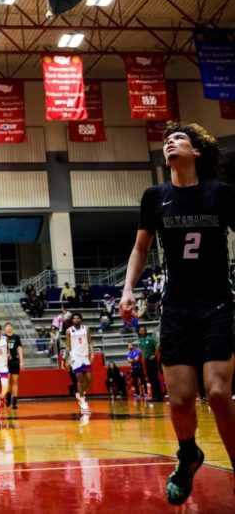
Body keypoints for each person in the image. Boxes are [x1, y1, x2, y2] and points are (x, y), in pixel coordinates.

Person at [120, 122, 235, 506]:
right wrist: (127, 289)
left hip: (217, 303)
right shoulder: (155, 197)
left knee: (218, 392)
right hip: (177, 309)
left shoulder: (219, 194)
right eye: (167, 139)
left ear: (197, 152)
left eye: (180, 138)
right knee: (181, 400)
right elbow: (140, 249)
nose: (170, 142)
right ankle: (189, 456)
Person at [65, 312, 94, 415]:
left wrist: (93, 354)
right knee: (79, 379)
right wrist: (66, 359)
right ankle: (83, 402)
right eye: (74, 318)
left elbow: (90, 342)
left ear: (81, 319)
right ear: (72, 320)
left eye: (78, 318)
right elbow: (68, 346)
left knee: (90, 380)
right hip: (75, 357)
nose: (76, 320)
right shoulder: (69, 331)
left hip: (85, 356)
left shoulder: (86, 329)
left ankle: (80, 394)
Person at [138, 326, 163, 402]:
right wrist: (143, 354)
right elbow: (141, 348)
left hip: (152, 360)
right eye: (141, 331)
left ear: (146, 331)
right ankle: (154, 396)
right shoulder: (141, 340)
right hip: (147, 361)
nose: (142, 332)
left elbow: (158, 344)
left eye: (143, 330)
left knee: (154, 378)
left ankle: (158, 396)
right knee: (150, 378)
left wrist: (154, 354)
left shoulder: (150, 338)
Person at [4, 322, 23, 410]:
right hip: (5, 362)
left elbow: (19, 348)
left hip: (15, 361)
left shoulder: (16, 337)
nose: (8, 328)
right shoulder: (2, 338)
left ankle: (14, 402)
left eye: (10, 326)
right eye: (7, 326)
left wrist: (21, 361)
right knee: (7, 381)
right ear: (5, 329)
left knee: (15, 381)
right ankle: (8, 397)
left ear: (12, 328)